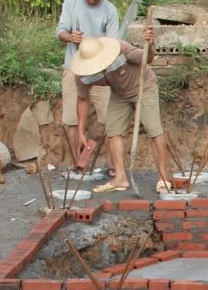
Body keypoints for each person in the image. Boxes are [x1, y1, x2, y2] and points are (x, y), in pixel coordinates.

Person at [69, 30, 177, 194]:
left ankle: (163, 178)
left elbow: (148, 58)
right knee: (113, 132)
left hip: (143, 87)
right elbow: (83, 99)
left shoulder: (121, 49)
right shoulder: (83, 75)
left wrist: (151, 43)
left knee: (154, 130)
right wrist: (81, 130)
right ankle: (120, 178)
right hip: (119, 94)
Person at [55, 0, 120, 172]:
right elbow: (60, 32)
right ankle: (78, 165)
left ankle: (112, 166)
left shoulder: (110, 10)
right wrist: (71, 37)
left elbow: (113, 43)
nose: (92, 2)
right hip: (74, 67)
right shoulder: (71, 3)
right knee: (72, 120)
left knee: (110, 120)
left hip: (102, 71)